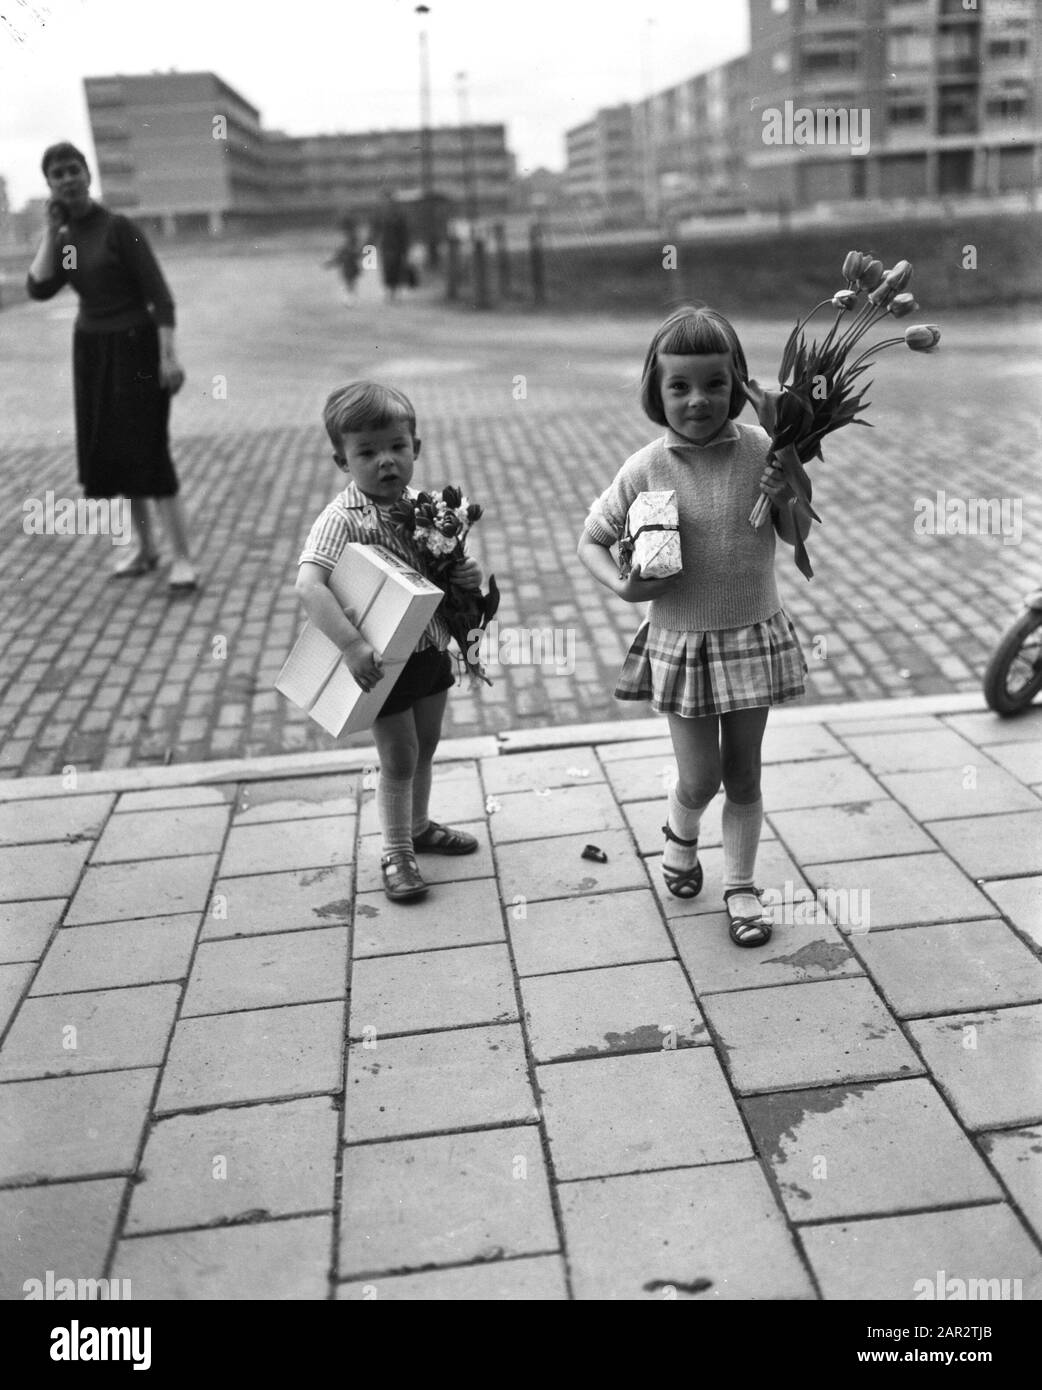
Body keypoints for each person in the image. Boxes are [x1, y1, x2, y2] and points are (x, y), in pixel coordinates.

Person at [577, 305, 810, 948]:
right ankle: (681, 832)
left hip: (751, 635)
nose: (698, 400)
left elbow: (794, 535)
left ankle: (740, 887)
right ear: (657, 390)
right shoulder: (647, 466)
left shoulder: (767, 449)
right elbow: (591, 540)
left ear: (738, 384)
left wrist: (788, 491)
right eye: (679, 386)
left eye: (714, 383)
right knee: (701, 775)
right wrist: (624, 586)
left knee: (745, 774)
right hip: (682, 644)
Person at [295, 382, 483, 901]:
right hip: (381, 660)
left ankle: (418, 826)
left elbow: (445, 572)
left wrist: (464, 574)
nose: (386, 462)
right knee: (398, 756)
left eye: (397, 447)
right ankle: (396, 850)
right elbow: (309, 585)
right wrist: (353, 648)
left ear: (416, 448)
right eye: (367, 452)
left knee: (427, 744)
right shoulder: (342, 519)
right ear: (342, 460)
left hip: (428, 649)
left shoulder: (425, 508)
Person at [26, 141, 197, 591]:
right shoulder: (66, 241)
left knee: (149, 453)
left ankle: (181, 557)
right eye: (56, 174)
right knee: (118, 458)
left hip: (137, 350)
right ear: (50, 185)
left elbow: (160, 297)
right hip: (93, 353)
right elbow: (41, 287)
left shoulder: (119, 228)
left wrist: (168, 355)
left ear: (87, 174)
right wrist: (50, 230)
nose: (66, 179)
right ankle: (146, 549)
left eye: (72, 170)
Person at [375, 192, 410, 302]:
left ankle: (395, 293)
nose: (387, 203)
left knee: (397, 269)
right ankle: (389, 292)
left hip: (397, 247)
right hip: (386, 247)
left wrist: (405, 249)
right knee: (387, 270)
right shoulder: (380, 214)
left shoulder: (399, 215)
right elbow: (375, 232)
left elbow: (405, 233)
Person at [325, 218, 360, 303]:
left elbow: (340, 255)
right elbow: (339, 256)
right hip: (348, 266)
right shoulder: (350, 243)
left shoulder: (350, 244)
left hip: (350, 266)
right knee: (349, 282)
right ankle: (350, 297)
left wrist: (331, 263)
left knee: (349, 282)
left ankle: (349, 297)